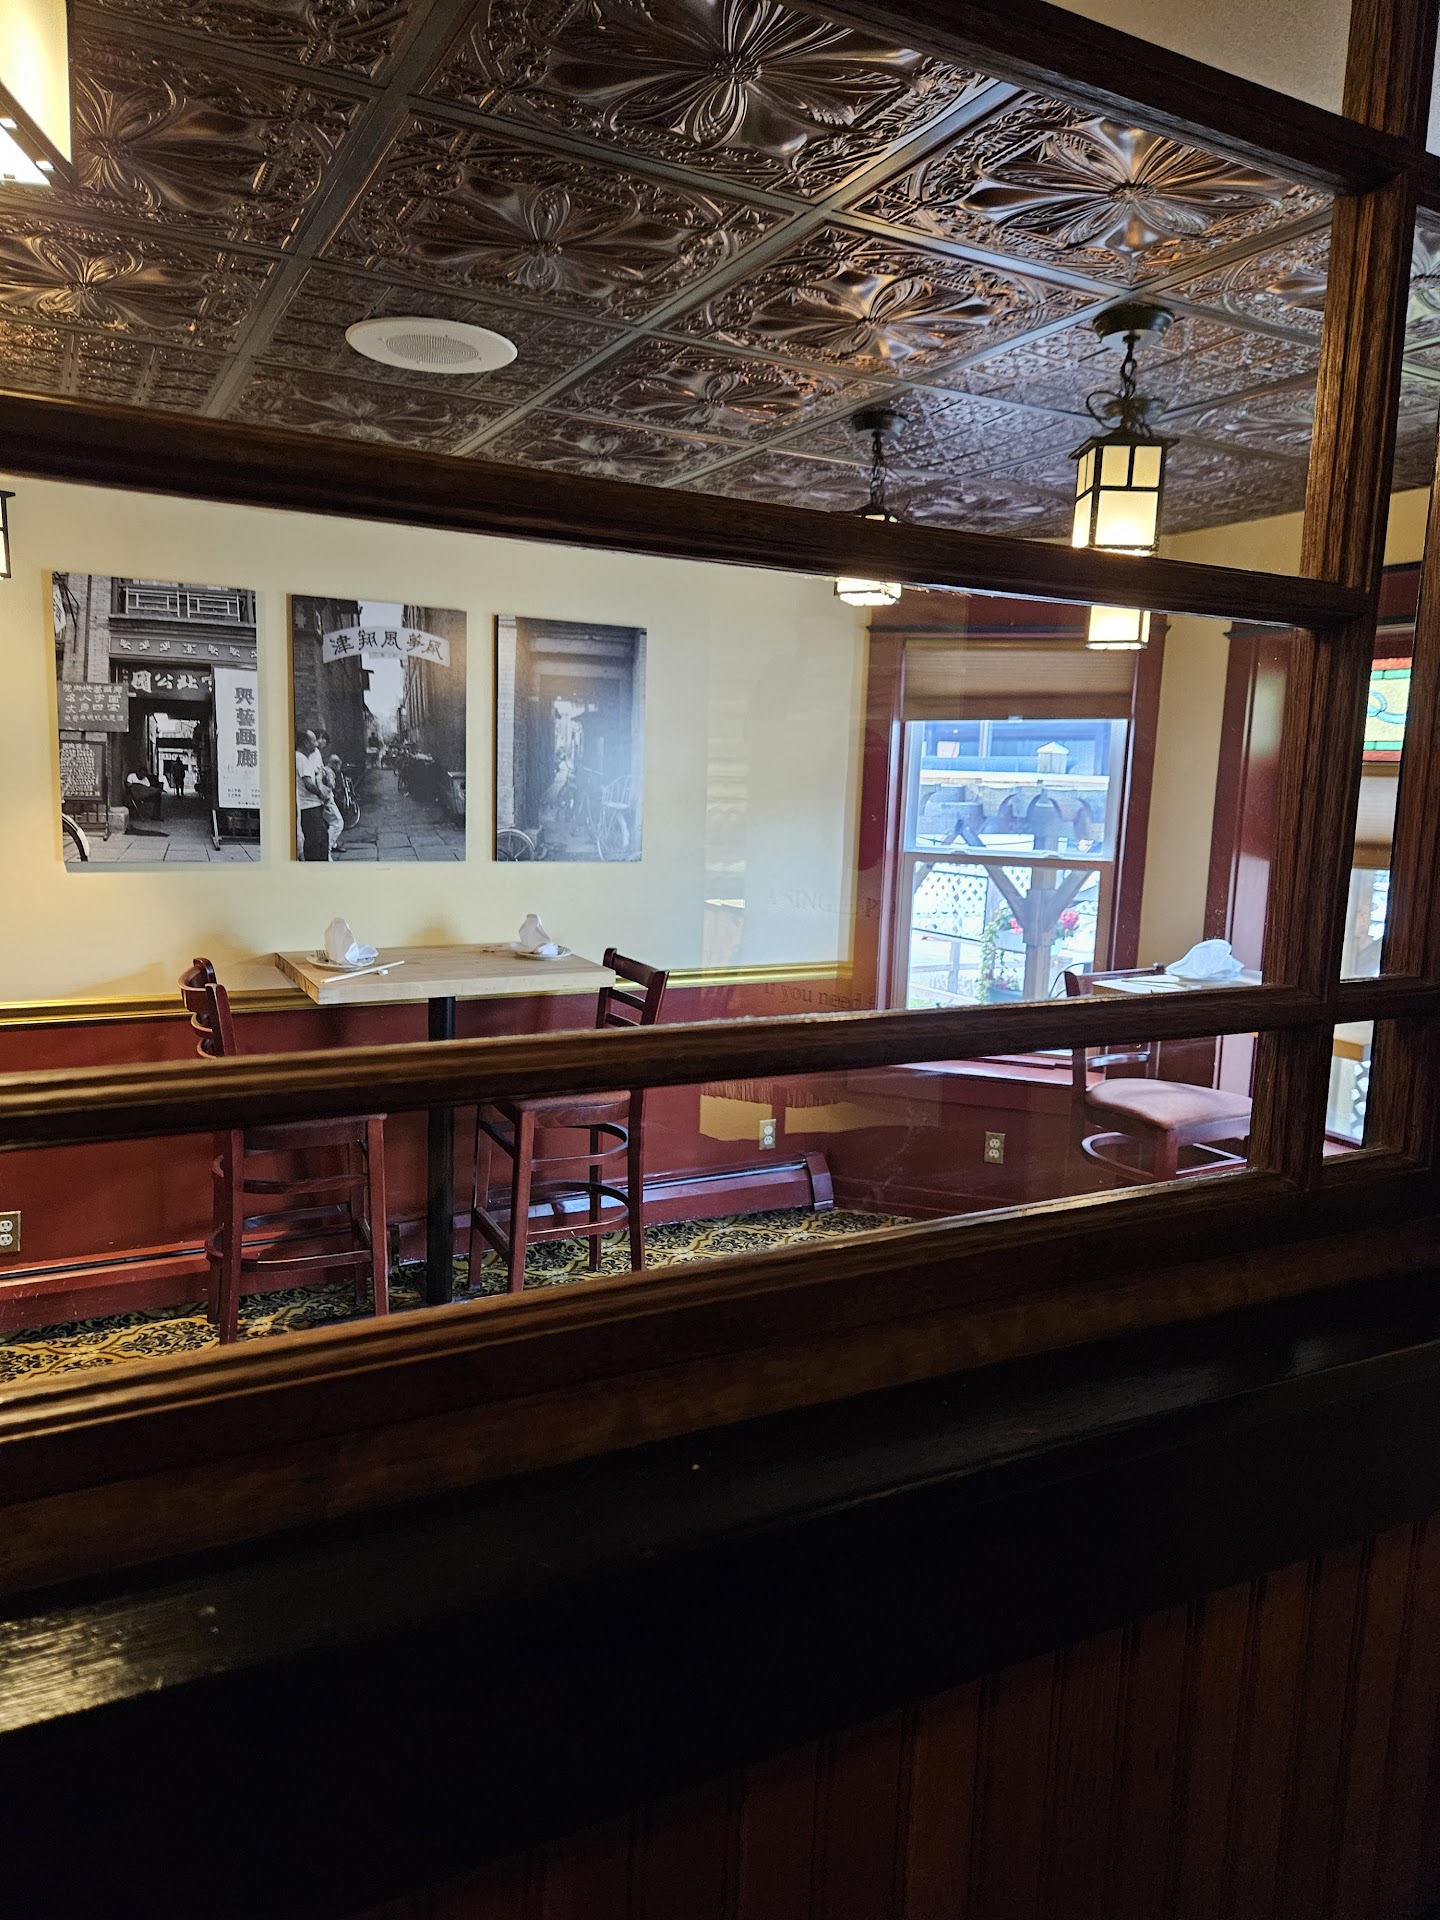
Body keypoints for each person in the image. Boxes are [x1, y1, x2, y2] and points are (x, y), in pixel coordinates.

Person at [295, 726, 329, 861]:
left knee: (319, 840)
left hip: (309, 807)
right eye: (314, 741)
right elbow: (308, 783)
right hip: (310, 808)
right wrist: (320, 794)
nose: (316, 744)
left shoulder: (301, 758)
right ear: (306, 743)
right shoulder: (301, 758)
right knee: (316, 843)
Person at [321, 754, 346, 853]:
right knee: (338, 823)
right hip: (326, 799)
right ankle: (328, 848)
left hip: (322, 800)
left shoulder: (324, 769)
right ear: (335, 764)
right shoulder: (330, 773)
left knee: (329, 823)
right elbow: (330, 786)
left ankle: (332, 844)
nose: (339, 768)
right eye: (339, 765)